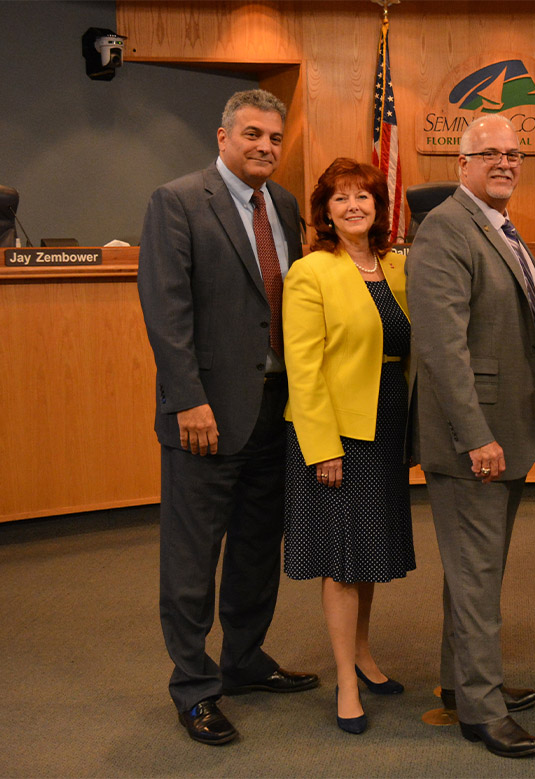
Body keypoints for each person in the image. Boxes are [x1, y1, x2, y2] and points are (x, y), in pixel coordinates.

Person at [137, 88, 319, 746]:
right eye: (252, 135)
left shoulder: (287, 205)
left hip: (275, 408)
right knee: (192, 560)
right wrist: (187, 397)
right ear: (222, 138)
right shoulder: (178, 201)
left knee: (253, 550)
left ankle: (244, 659)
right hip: (204, 414)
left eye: (274, 138)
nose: (265, 147)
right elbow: (167, 310)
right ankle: (193, 685)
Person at [407, 115, 535, 758]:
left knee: (477, 569)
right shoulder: (445, 228)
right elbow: (443, 349)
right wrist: (475, 436)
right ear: (462, 162)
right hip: (476, 437)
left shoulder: (500, 227)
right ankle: (480, 707)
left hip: (511, 427)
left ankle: (460, 682)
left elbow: (520, 331)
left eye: (514, 154)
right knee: (476, 573)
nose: (505, 162)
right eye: (490, 153)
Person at [281, 158, 415, 735]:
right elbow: (302, 368)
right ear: (325, 213)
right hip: (335, 430)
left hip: (387, 423)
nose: (354, 206)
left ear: (379, 208)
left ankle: (363, 653)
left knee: (367, 553)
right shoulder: (311, 272)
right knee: (340, 557)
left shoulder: (396, 266)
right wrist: (322, 446)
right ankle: (346, 680)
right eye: (341, 199)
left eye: (365, 196)